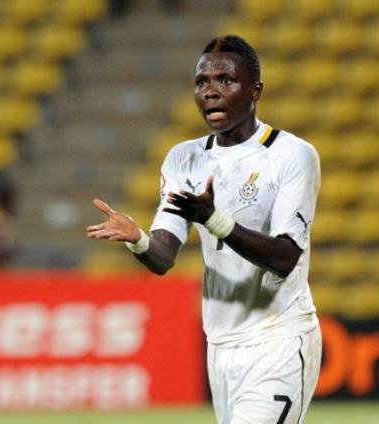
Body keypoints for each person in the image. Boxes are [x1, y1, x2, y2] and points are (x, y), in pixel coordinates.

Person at [86, 35, 322, 424]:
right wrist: (138, 239)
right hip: (221, 347)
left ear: (255, 91)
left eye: (225, 80)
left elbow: (285, 257)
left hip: (278, 339)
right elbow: (163, 257)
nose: (211, 91)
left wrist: (215, 220)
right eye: (201, 82)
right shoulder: (185, 159)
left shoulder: (291, 154)